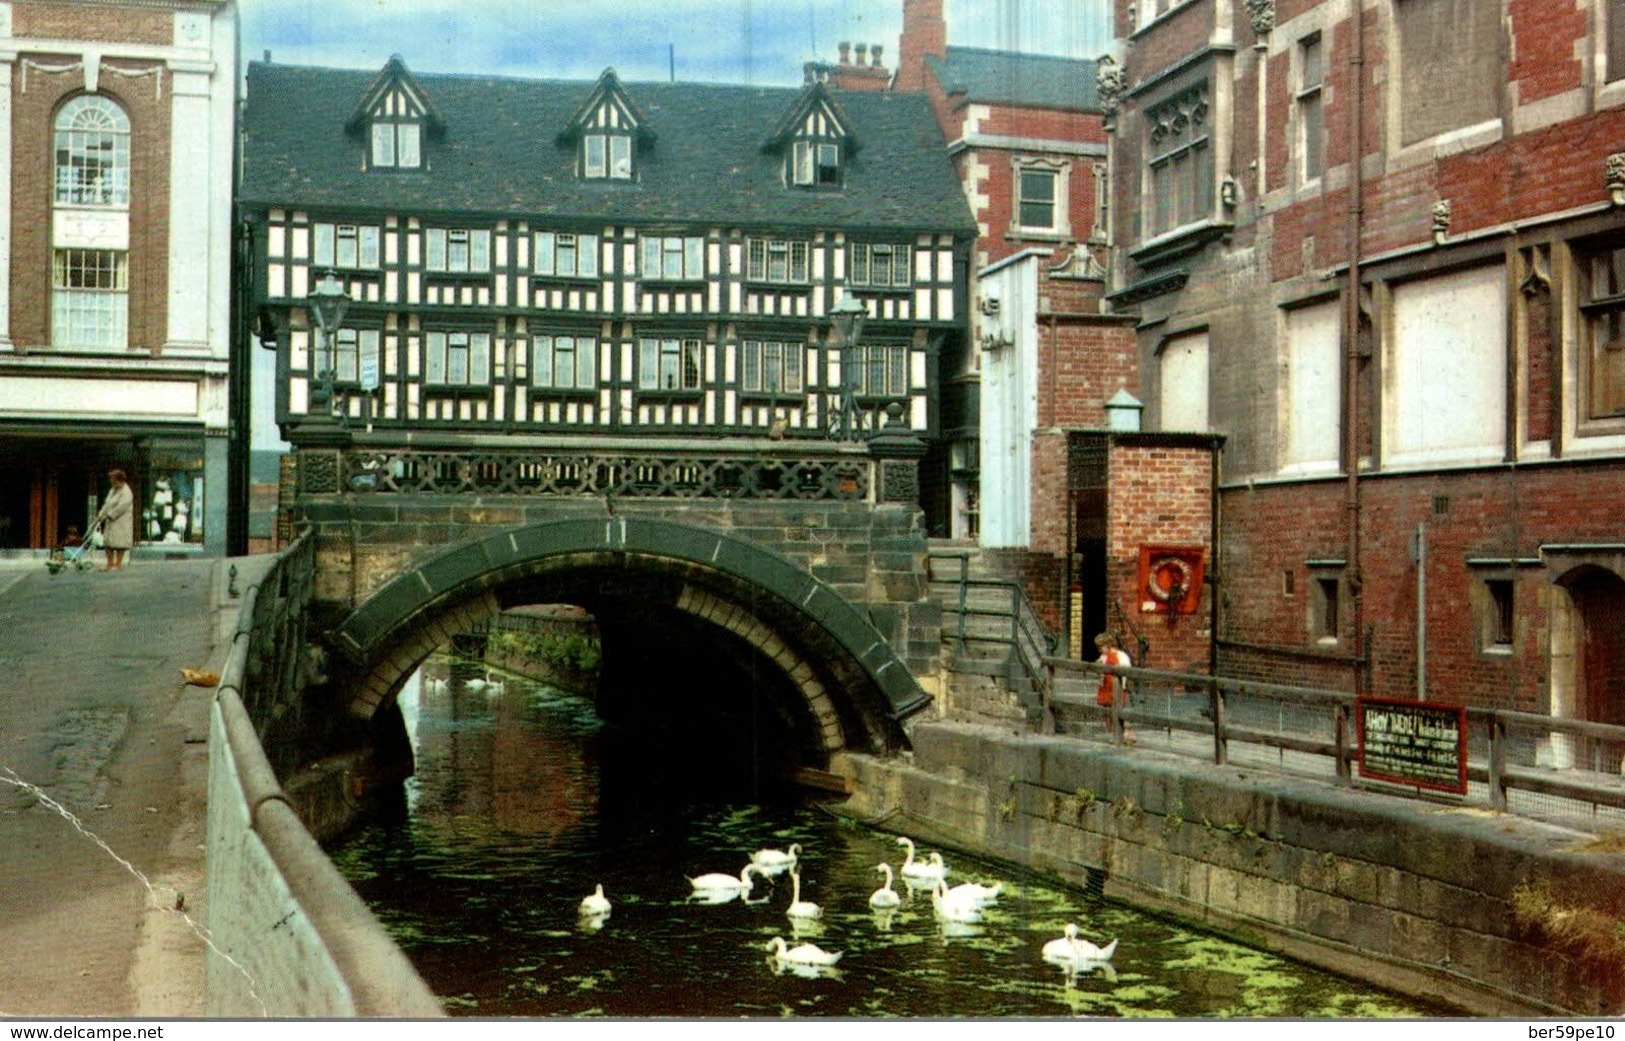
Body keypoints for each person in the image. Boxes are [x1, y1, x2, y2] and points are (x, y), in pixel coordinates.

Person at [91, 469, 134, 571]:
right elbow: (107, 504)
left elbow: (121, 507)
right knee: (108, 543)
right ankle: (109, 563)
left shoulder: (127, 492)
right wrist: (100, 515)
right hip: (110, 521)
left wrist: (109, 515)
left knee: (120, 543)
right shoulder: (112, 490)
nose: (112, 482)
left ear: (119, 480)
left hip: (121, 521)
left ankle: (118, 564)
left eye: (113, 480)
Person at [1094, 632, 1133, 742]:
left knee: (1119, 712)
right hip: (1106, 688)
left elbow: (1126, 669)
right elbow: (1100, 670)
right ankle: (1111, 733)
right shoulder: (1103, 657)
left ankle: (1124, 734)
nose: (1099, 650)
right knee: (1108, 713)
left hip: (1117, 688)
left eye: (1101, 647)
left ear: (1108, 645)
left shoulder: (1120, 656)